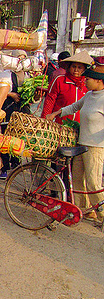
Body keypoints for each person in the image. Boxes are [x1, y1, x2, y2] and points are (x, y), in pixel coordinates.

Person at [47, 62, 104, 223]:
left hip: (96, 147)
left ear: (99, 81)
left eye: (89, 78)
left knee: (93, 182)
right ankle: (86, 210)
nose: (85, 80)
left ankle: (102, 214)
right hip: (81, 145)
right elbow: (73, 107)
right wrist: (56, 113)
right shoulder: (89, 95)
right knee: (78, 180)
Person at [0, 50, 30, 179]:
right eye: (18, 59)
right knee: (5, 136)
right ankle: (4, 167)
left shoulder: (28, 76)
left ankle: (16, 162)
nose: (20, 62)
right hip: (7, 109)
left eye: (23, 59)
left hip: (22, 110)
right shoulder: (6, 75)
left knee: (19, 136)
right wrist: (10, 94)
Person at [41, 51, 94, 124]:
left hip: (80, 125)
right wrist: (44, 120)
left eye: (79, 67)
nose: (76, 70)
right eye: (74, 67)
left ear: (84, 70)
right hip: (59, 122)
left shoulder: (86, 84)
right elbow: (50, 100)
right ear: (69, 67)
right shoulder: (60, 80)